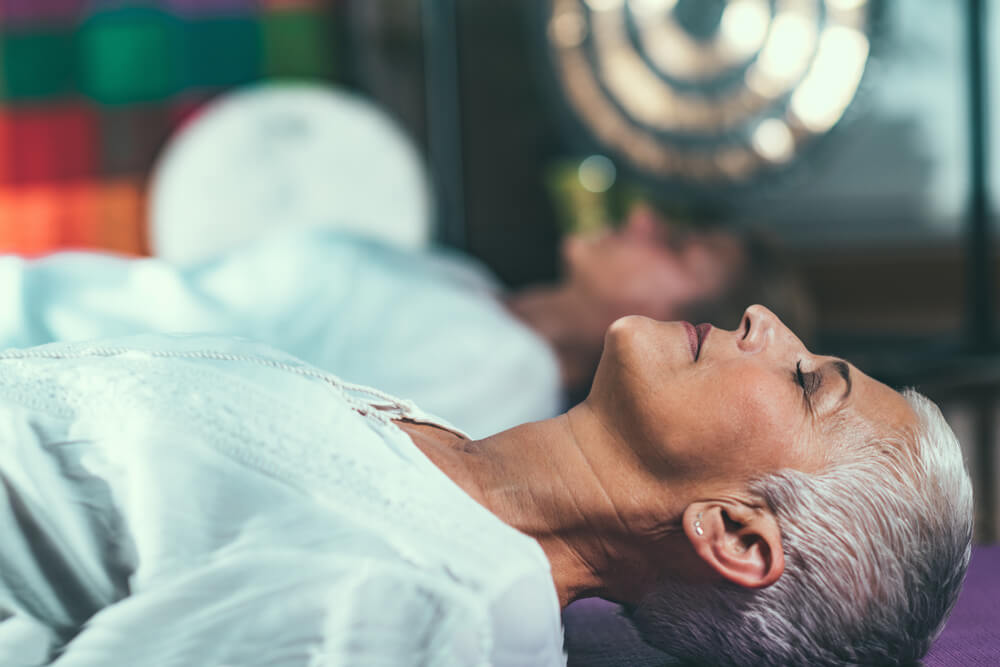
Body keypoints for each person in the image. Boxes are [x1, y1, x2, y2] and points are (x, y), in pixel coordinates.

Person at [0, 305, 971, 666]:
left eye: (807, 383)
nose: (765, 320)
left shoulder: (420, 611)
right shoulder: (430, 455)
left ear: (734, 534)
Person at [0, 204, 809, 438]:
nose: (639, 217)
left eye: (672, 242)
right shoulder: (470, 282)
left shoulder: (502, 375)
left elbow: (253, 427)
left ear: (684, 327)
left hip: (35, 379)